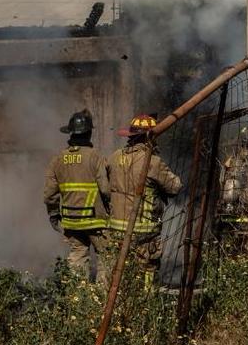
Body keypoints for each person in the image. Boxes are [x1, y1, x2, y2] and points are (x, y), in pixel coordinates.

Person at [104, 114, 182, 286]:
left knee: (119, 270)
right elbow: (175, 187)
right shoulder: (152, 162)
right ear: (150, 137)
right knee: (147, 268)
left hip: (116, 228)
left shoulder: (114, 157)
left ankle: (118, 303)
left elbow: (105, 185)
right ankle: (145, 302)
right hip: (144, 232)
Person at [42, 109, 109, 281]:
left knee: (77, 258)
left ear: (70, 132)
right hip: (96, 220)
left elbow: (50, 193)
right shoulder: (95, 157)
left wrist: (53, 213)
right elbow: (105, 189)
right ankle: (103, 300)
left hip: (71, 221)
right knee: (105, 257)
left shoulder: (58, 159)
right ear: (89, 133)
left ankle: (77, 299)